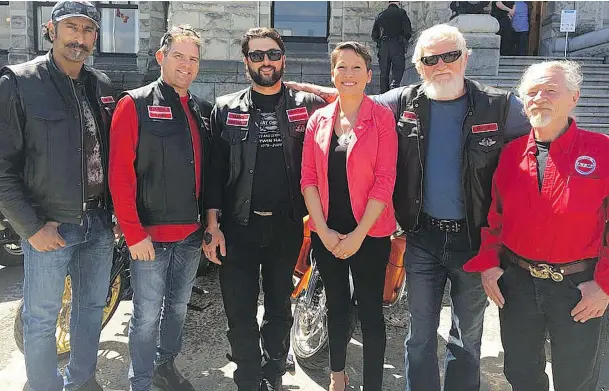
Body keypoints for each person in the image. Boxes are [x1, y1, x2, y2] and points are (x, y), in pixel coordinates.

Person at [285, 23, 531, 391]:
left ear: (466, 58)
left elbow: (543, 138)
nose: (441, 65)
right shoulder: (405, 101)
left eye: (450, 56)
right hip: (423, 236)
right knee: (419, 335)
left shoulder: (500, 105)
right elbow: (353, 100)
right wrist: (329, 90)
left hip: (472, 239)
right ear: (419, 66)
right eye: (431, 59)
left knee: (466, 338)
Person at [464, 60, 609, 391]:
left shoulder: (602, 150)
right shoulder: (512, 154)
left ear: (574, 98)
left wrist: (604, 285)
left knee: (577, 380)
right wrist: (489, 266)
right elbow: (495, 217)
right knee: (521, 373)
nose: (540, 98)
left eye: (551, 90)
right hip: (518, 286)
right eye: (532, 92)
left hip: (579, 288)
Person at [202, 27, 326, 391]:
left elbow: (354, 98)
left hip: (287, 227)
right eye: (257, 55)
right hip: (238, 228)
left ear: (283, 58)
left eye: (272, 54)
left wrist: (321, 88)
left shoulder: (308, 106)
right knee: (239, 312)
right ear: (246, 62)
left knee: (278, 309)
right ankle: (247, 378)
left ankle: (272, 373)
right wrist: (212, 225)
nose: (266, 62)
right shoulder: (226, 109)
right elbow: (214, 174)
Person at [0, 2, 116, 390]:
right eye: (72, 28)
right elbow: (2, 168)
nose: (79, 38)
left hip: (99, 223)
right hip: (50, 226)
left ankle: (82, 381)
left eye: (88, 30)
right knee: (41, 317)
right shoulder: (19, 83)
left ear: (95, 37)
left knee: (90, 311)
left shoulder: (101, 84)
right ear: (51, 29)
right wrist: (30, 228)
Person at [108, 25, 212, 391]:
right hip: (149, 238)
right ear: (161, 57)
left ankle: (165, 367)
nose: (186, 65)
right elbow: (120, 174)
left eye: (193, 59)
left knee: (178, 311)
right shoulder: (133, 104)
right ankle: (141, 381)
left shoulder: (200, 109)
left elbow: (207, 174)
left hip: (189, 236)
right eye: (179, 56)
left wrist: (208, 228)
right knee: (146, 317)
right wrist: (134, 234)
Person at [301, 41, 398, 391]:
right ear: (332, 73)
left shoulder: (382, 118)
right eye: (341, 67)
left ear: (369, 76)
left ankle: (373, 383)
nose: (349, 74)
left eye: (356, 67)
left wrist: (358, 235)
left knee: (371, 312)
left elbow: (385, 182)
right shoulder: (319, 120)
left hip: (369, 234)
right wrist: (323, 231)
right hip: (327, 231)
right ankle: (337, 376)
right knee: (336, 307)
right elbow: (308, 179)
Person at [371, 1, 412, 93]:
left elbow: (374, 35)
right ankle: (394, 88)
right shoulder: (401, 13)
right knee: (398, 67)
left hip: (384, 46)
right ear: (398, 2)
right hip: (397, 44)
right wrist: (404, 40)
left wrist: (379, 42)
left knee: (384, 71)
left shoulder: (381, 15)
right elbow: (407, 30)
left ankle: (384, 93)